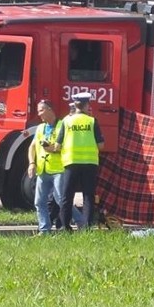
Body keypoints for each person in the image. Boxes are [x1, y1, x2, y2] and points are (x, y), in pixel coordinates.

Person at [28, 100, 83, 234]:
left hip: (59, 169)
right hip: (43, 169)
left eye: (41, 110)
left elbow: (68, 147)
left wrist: (53, 149)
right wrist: (32, 163)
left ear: (50, 109)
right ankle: (44, 229)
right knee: (39, 202)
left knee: (60, 200)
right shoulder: (40, 128)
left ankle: (81, 222)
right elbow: (32, 146)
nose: (39, 114)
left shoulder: (62, 126)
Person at [53, 92, 104, 230]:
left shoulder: (66, 121)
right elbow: (101, 145)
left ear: (75, 106)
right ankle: (86, 227)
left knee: (67, 196)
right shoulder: (92, 121)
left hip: (71, 162)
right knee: (88, 196)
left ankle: (65, 226)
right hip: (90, 163)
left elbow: (57, 146)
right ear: (87, 105)